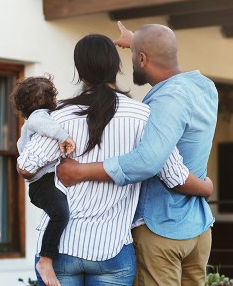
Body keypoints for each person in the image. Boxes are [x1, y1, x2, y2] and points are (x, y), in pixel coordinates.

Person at [17, 33, 212, 286]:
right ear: (117, 67)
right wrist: (206, 185)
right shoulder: (143, 115)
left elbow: (27, 167)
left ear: (79, 71)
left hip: (61, 248)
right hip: (113, 250)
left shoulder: (59, 117)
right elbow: (173, 175)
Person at [12, 75, 76, 286]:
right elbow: (44, 124)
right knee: (60, 213)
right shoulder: (39, 117)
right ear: (51, 98)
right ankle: (45, 259)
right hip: (41, 184)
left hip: (43, 182)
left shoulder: (36, 119)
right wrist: (63, 136)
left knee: (59, 213)